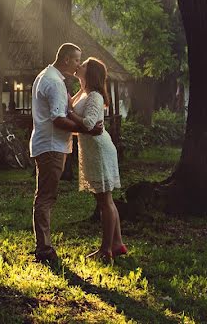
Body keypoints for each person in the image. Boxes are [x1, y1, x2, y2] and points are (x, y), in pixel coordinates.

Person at [30, 42, 103, 263]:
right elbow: (58, 119)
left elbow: (65, 110)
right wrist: (86, 128)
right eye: (77, 60)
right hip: (51, 146)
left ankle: (44, 246)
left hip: (50, 144)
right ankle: (44, 249)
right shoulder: (53, 82)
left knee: (45, 195)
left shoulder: (50, 77)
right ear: (66, 60)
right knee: (45, 196)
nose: (78, 65)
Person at [68, 57, 126, 262]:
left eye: (82, 65)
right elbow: (82, 124)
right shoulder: (84, 93)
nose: (78, 66)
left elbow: (89, 122)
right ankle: (117, 244)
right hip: (91, 149)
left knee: (105, 201)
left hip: (100, 149)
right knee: (104, 199)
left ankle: (105, 250)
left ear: (90, 72)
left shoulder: (94, 96)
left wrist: (69, 111)